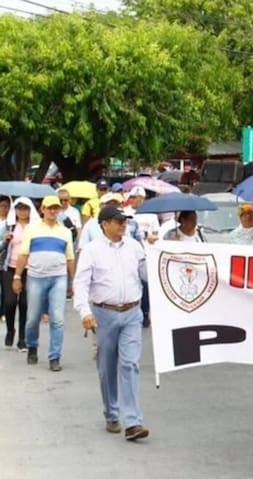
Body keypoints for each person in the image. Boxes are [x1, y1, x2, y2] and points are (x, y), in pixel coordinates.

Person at [73, 206, 150, 441]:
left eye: (124, 221)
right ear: (104, 224)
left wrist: (156, 254)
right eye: (118, 221)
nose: (123, 225)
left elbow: (147, 275)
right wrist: (84, 312)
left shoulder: (135, 247)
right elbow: (81, 283)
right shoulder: (92, 250)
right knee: (107, 367)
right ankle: (111, 412)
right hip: (104, 314)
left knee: (129, 364)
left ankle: (133, 421)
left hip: (132, 312)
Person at [13, 196, 75, 371]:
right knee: (33, 318)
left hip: (58, 277)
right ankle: (32, 346)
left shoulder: (65, 231)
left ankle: (54, 357)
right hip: (36, 277)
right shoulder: (32, 229)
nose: (53, 211)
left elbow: (70, 258)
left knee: (58, 319)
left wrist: (73, 281)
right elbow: (24, 254)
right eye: (50, 208)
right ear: (43, 210)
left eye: (56, 208)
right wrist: (17, 276)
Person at [1, 197, 40, 350]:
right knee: (10, 302)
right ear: (15, 210)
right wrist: (5, 240)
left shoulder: (36, 227)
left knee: (25, 304)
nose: (22, 212)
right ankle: (10, 330)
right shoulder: (9, 225)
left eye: (25, 208)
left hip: (29, 268)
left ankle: (23, 338)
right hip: (10, 267)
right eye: (19, 208)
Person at [126, 186, 160, 328]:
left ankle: (145, 312)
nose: (132, 200)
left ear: (142, 198)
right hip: (129, 254)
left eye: (134, 198)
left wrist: (152, 237)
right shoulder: (126, 213)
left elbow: (157, 235)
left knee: (146, 284)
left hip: (146, 254)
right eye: (131, 197)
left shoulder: (151, 215)